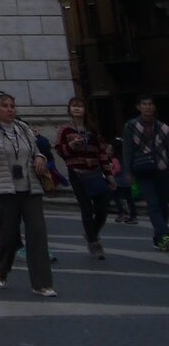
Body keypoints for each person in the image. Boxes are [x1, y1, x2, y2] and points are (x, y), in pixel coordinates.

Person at [0, 91, 56, 296]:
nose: (10, 109)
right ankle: (1, 270)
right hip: (4, 191)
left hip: (30, 188)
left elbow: (36, 150)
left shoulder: (24, 129)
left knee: (37, 234)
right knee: (8, 236)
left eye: (12, 105)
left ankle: (42, 283)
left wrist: (40, 158)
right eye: (5, 106)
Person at [56, 96, 114, 260]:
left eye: (80, 106)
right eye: (74, 106)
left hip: (95, 172)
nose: (76, 109)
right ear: (69, 110)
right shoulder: (65, 130)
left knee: (102, 209)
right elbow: (59, 150)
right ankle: (94, 243)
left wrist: (109, 174)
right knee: (86, 209)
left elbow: (102, 151)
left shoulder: (92, 130)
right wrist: (71, 146)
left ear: (84, 109)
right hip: (77, 172)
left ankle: (91, 233)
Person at [119, 94, 169, 249]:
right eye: (144, 104)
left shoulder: (163, 127)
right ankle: (164, 236)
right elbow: (127, 150)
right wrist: (128, 171)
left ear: (154, 107)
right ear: (138, 107)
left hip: (162, 168)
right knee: (153, 203)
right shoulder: (131, 126)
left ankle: (158, 236)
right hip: (143, 170)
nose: (147, 107)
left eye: (150, 104)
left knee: (163, 204)